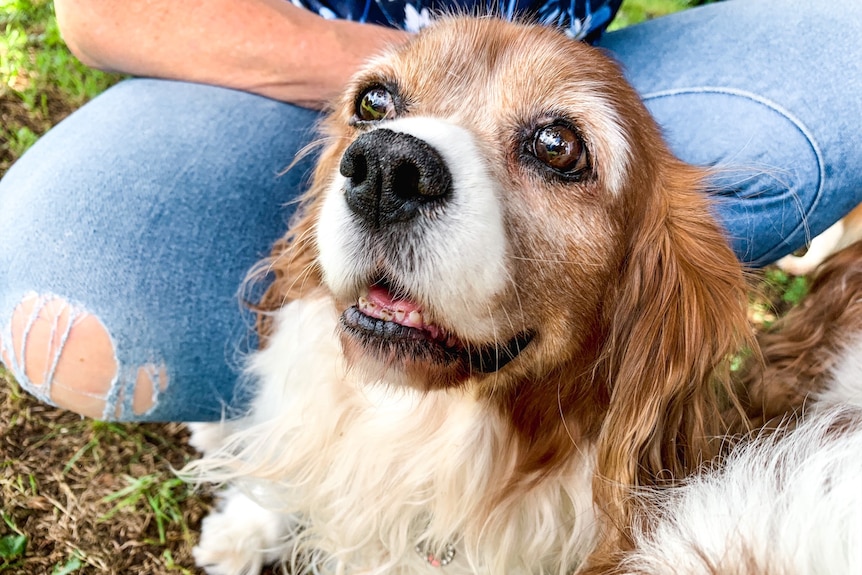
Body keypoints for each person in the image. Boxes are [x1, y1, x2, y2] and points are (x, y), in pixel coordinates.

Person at [1, 0, 860, 422]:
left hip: (580, 67)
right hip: (274, 52)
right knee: (79, 274)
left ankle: (596, 385)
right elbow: (103, 10)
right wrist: (398, 93)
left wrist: (543, 106)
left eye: (558, 151)